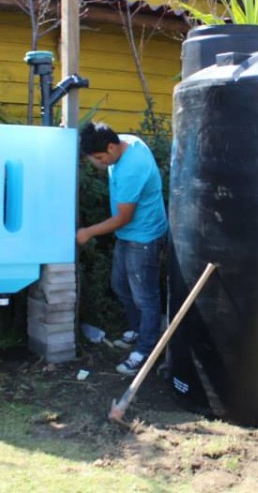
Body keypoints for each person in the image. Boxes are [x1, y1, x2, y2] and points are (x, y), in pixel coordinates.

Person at [76, 122, 168, 376]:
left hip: (145, 236)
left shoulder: (131, 168)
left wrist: (88, 232)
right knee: (120, 285)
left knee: (145, 296)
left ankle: (145, 350)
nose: (97, 163)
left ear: (111, 146)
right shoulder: (125, 143)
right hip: (129, 234)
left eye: (99, 158)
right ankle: (138, 329)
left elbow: (123, 218)